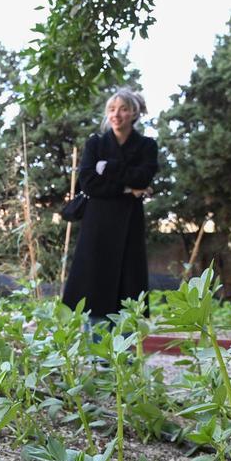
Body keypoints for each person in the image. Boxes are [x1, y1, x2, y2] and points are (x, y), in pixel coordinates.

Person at [61, 87, 160, 329]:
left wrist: (109, 168)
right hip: (98, 224)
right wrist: (127, 189)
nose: (116, 115)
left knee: (129, 284)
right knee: (94, 283)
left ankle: (123, 352)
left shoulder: (147, 145)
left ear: (134, 113)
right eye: (112, 109)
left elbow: (143, 178)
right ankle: (97, 353)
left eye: (123, 109)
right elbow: (89, 183)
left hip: (129, 225)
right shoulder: (95, 144)